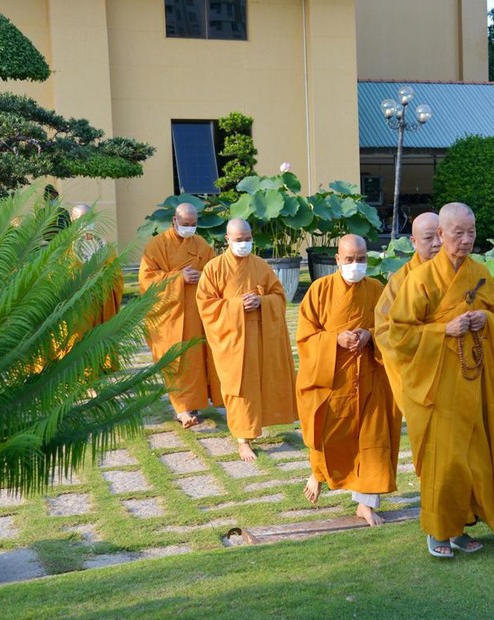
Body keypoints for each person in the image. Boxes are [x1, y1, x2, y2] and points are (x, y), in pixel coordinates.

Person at [384, 202, 494, 558]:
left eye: (471, 232)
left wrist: (485, 321)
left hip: (475, 383)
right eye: (457, 233)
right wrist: (441, 330)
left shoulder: (479, 272)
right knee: (445, 461)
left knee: (475, 460)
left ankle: (461, 528)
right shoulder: (420, 280)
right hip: (435, 386)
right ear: (441, 235)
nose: (465, 240)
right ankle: (438, 531)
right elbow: (398, 334)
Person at [297, 234, 400, 527]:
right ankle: (318, 472)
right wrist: (335, 339)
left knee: (374, 441)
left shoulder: (377, 289)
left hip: (369, 377)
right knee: (326, 430)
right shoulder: (319, 290)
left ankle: (365, 503)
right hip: (333, 379)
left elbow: (388, 326)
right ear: (338, 260)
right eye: (350, 259)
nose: (356, 265)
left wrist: (369, 334)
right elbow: (305, 336)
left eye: (362, 259)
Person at [196, 218, 297, 462]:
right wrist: (236, 305)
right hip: (231, 337)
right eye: (239, 240)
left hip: (260, 336)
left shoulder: (260, 265)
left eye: (248, 239)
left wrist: (262, 302)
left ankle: (259, 425)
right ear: (227, 240)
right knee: (239, 386)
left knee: (261, 382)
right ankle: (243, 440)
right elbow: (206, 305)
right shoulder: (214, 268)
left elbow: (279, 296)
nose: (244, 244)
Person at [139, 203, 223, 429]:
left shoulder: (201, 245)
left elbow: (215, 271)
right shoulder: (157, 246)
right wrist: (178, 278)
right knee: (174, 359)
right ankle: (181, 408)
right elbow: (146, 279)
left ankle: (192, 405)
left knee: (195, 360)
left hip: (196, 313)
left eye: (193, 224)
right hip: (169, 315)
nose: (189, 228)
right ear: (174, 221)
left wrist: (202, 275)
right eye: (185, 224)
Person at [373, 211, 442, 398]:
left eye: (441, 235)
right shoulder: (400, 282)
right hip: (417, 368)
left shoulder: (461, 273)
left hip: (457, 368)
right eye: (428, 238)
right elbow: (383, 330)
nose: (437, 243)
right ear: (413, 241)